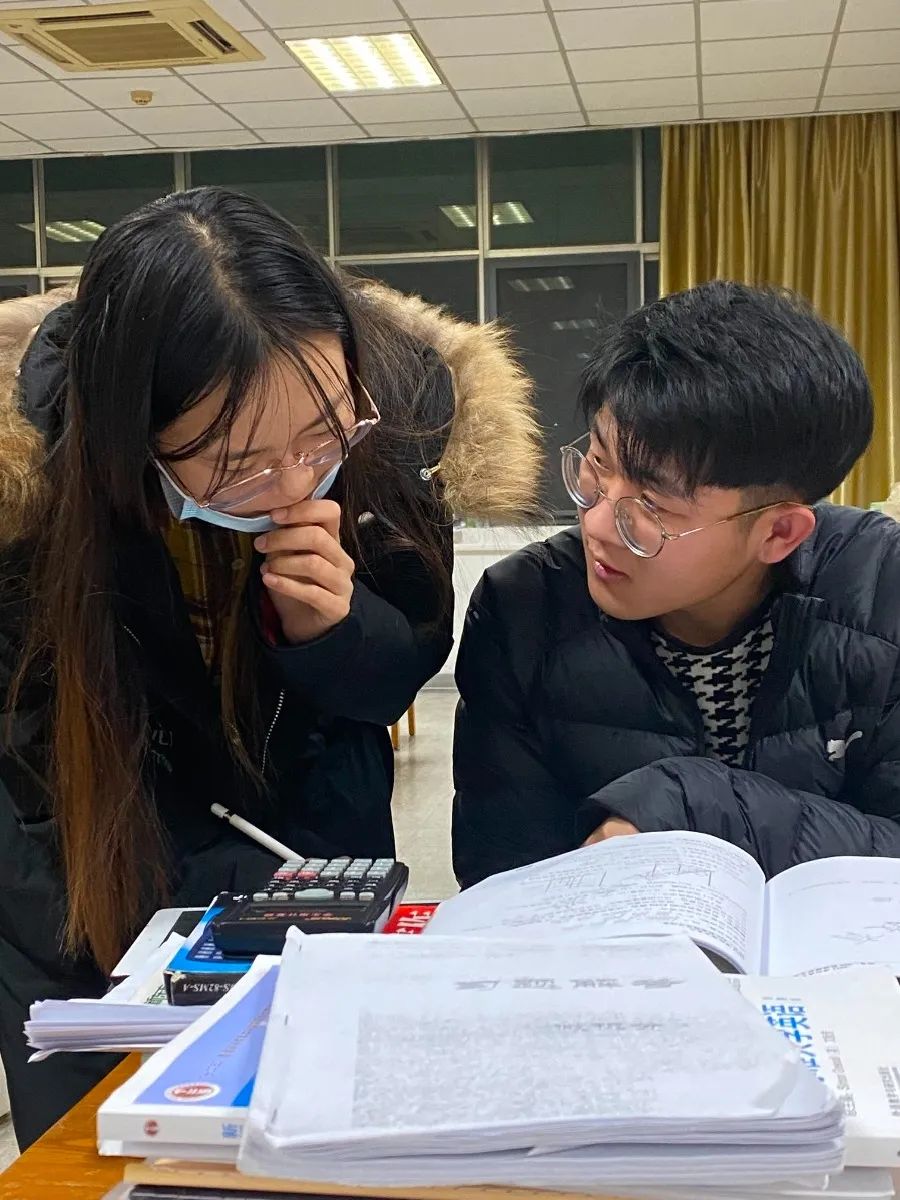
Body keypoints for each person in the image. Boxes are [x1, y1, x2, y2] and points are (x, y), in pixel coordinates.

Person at [0, 186, 540, 1146]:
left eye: (322, 435)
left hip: (318, 863)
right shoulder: (28, 502)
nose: (294, 487)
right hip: (95, 902)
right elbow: (27, 790)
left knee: (330, 1138)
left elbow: (402, 666)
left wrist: (331, 632)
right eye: (239, 462)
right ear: (132, 438)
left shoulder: (399, 431)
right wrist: (191, 925)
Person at [453, 280, 900, 890]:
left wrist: (696, 803)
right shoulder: (524, 609)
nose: (596, 525)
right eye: (598, 465)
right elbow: (503, 877)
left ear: (779, 533)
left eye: (653, 508)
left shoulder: (879, 591)